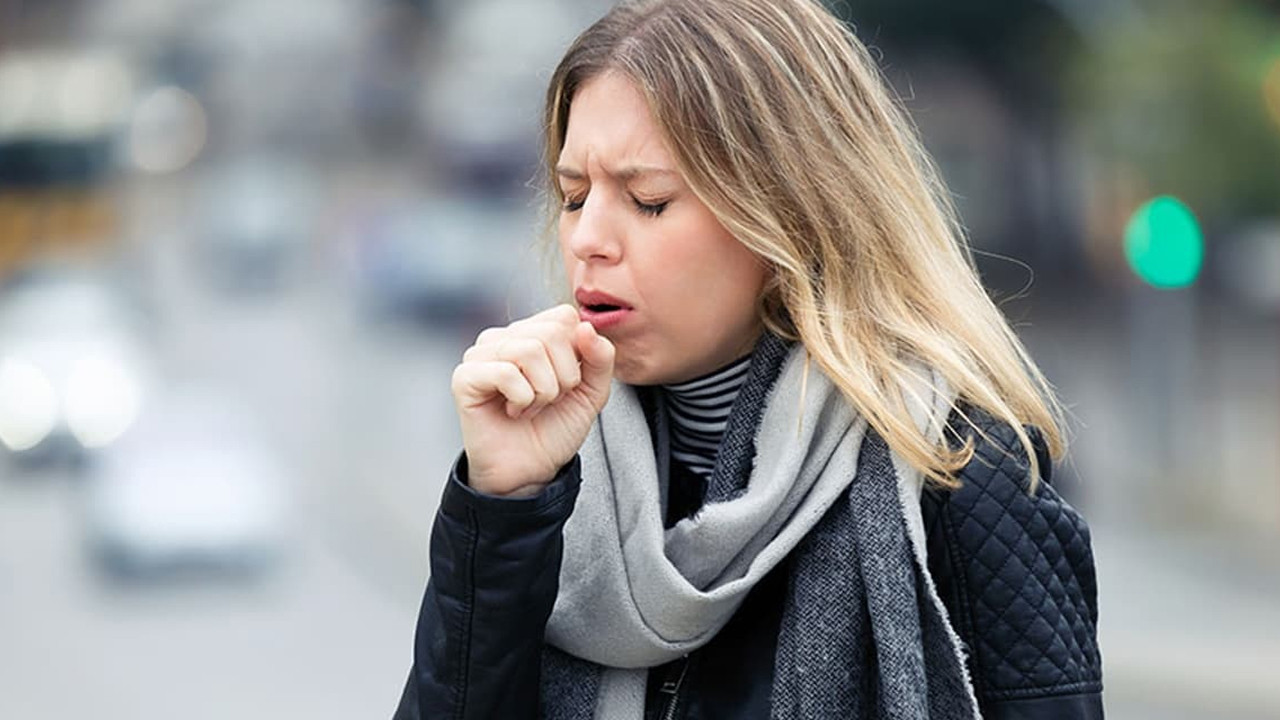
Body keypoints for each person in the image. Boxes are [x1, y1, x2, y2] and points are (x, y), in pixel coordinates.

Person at [393, 0, 1103, 717]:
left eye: (648, 200)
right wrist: (502, 506)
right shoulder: (553, 477)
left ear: (788, 213)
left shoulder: (961, 477)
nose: (587, 239)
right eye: (575, 196)